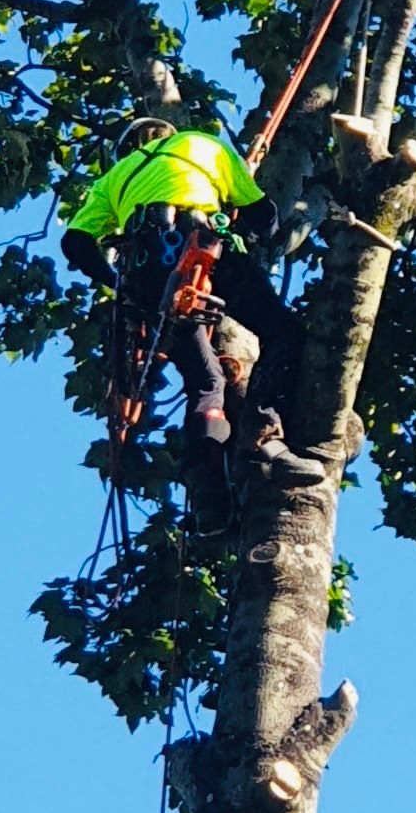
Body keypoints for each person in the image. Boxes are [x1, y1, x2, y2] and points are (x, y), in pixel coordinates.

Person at [61, 118, 323, 529]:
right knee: (284, 334)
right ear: (166, 134)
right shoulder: (202, 144)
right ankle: (265, 434)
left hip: (148, 276)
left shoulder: (113, 178)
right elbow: (263, 218)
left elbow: (74, 241)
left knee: (206, 382)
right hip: (203, 248)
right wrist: (241, 206)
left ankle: (208, 502)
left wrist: (118, 284)